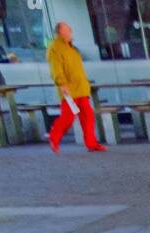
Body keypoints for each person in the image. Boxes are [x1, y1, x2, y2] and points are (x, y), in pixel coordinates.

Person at [46, 22, 105, 153]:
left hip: (80, 88)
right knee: (68, 117)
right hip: (69, 90)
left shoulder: (71, 47)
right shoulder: (55, 48)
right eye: (67, 29)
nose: (70, 31)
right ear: (60, 32)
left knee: (87, 116)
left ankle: (91, 143)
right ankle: (54, 137)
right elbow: (56, 69)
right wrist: (61, 83)